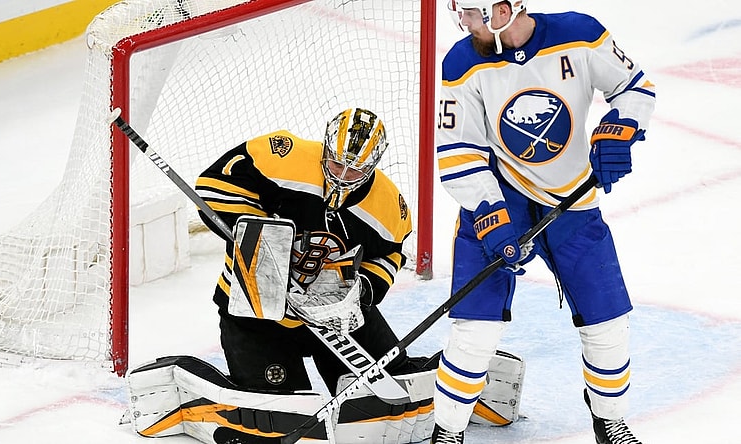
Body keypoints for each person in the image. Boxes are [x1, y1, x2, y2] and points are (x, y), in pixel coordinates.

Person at [433, 1, 656, 444]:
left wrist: (620, 128)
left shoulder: (580, 34)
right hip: (499, 195)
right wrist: (490, 218)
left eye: (474, 14)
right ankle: (448, 431)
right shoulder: (462, 61)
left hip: (572, 199)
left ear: (507, 7)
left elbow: (634, 87)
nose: (464, 23)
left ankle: (609, 418)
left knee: (606, 319)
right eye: (462, 13)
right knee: (475, 328)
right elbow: (459, 151)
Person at [193, 107, 437, 443]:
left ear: (373, 165)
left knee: (389, 388)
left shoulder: (387, 206)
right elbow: (211, 186)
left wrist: (361, 291)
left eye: (355, 171)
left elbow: (389, 255)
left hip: (336, 317)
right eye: (337, 163)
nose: (343, 175)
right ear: (325, 147)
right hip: (258, 311)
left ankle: (456, 378)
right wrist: (261, 238)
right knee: (279, 412)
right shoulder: (281, 155)